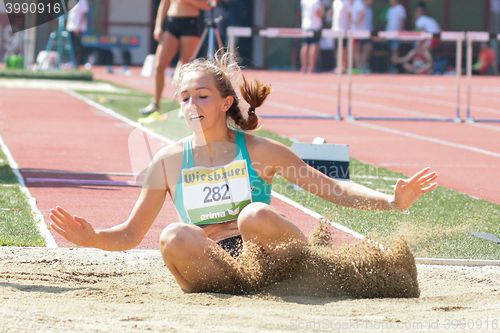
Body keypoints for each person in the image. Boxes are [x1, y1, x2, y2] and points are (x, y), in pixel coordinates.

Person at [49, 51, 438, 293]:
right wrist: (93, 238)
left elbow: (330, 189)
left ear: (225, 103)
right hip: (218, 268)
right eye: (184, 98)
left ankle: (314, 275)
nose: (191, 105)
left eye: (202, 96)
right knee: (173, 235)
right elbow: (133, 233)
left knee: (254, 214)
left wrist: (392, 201)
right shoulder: (167, 161)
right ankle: (241, 290)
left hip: (271, 258)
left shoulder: (259, 151)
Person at [139, 0, 213, 116]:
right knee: (159, 65)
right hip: (171, 21)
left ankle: (184, 105)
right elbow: (164, 3)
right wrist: (158, 26)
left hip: (190, 22)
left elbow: (209, 5)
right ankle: (156, 103)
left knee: (185, 68)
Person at [300, 0, 325, 73]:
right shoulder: (316, 1)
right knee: (314, 45)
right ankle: (312, 67)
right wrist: (323, 13)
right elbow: (319, 13)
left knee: (305, 44)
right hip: (314, 26)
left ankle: (304, 67)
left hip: (305, 25)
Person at [66, 0, 89, 67]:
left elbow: (84, 14)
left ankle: (84, 62)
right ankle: (74, 62)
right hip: (71, 27)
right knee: (72, 46)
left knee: (79, 45)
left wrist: (79, 27)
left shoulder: (83, 1)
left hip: (79, 28)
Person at [385, 0, 406, 72]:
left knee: (395, 51)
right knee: (390, 51)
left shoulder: (400, 8)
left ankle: (395, 67)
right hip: (389, 34)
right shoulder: (389, 9)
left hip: (396, 34)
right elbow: (388, 22)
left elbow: (402, 21)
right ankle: (390, 67)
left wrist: (400, 32)